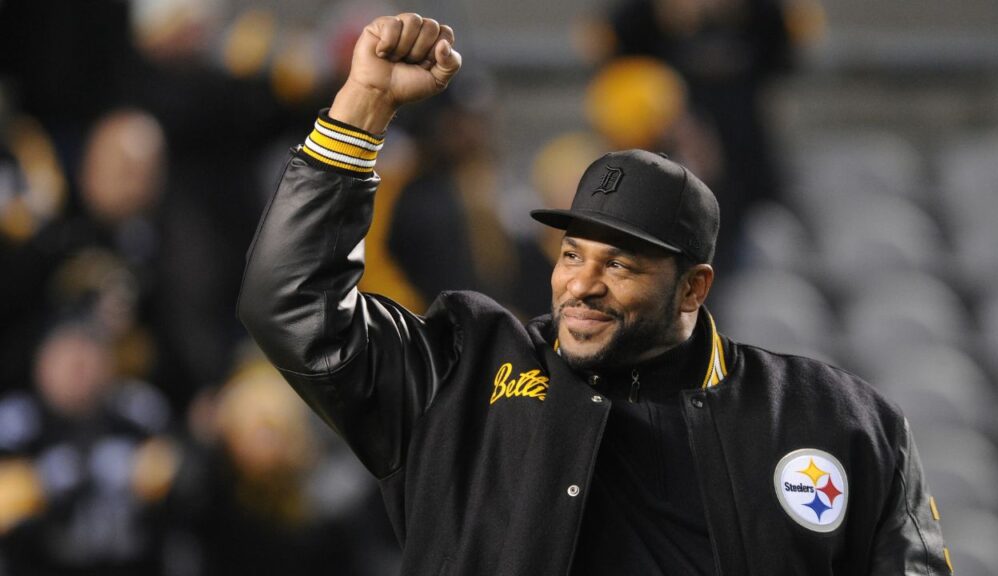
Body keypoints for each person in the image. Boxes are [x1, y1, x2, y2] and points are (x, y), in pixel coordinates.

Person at [238, 13, 950, 575]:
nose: (581, 282)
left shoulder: (835, 422)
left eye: (621, 264)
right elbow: (288, 304)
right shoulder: (461, 373)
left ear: (693, 287)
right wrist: (362, 105)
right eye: (572, 252)